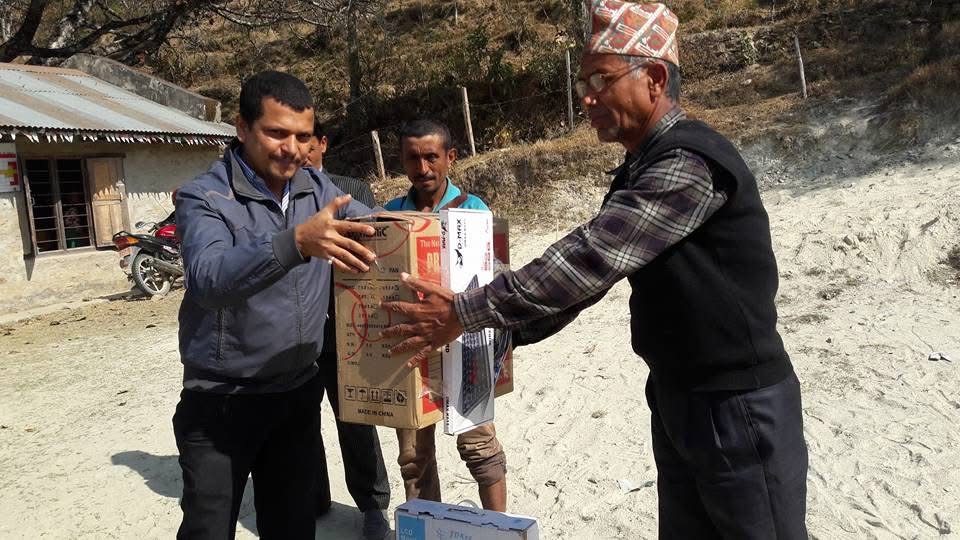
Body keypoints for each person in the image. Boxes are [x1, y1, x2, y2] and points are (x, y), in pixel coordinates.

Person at [381, 3, 809, 538]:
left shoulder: (687, 164)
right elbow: (591, 282)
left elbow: (590, 257)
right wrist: (495, 336)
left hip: (736, 405)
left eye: (601, 80)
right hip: (680, 396)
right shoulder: (641, 166)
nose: (587, 97)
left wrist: (467, 312)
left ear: (654, 79)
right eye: (584, 81)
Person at [173, 70, 379, 540]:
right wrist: (296, 243)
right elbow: (208, 278)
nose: (291, 149)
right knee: (208, 530)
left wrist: (438, 229)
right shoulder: (204, 196)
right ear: (242, 129)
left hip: (296, 397)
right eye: (276, 133)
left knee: (291, 527)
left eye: (303, 137)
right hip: (222, 402)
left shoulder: (318, 190)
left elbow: (377, 226)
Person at [382, 119, 508, 512]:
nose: (423, 169)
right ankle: (426, 527)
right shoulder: (388, 217)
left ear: (450, 158)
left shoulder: (475, 211)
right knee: (413, 458)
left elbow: (497, 281)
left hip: (465, 343)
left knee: (479, 446)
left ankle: (499, 530)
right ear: (401, 161)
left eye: (431, 157)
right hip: (411, 347)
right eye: (412, 159)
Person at [303, 119, 391, 539]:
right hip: (297, 337)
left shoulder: (350, 189)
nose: (298, 150)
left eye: (307, 140)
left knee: (355, 420)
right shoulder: (278, 197)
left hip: (345, 330)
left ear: (322, 143)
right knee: (300, 424)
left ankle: (373, 506)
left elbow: (373, 247)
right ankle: (314, 496)